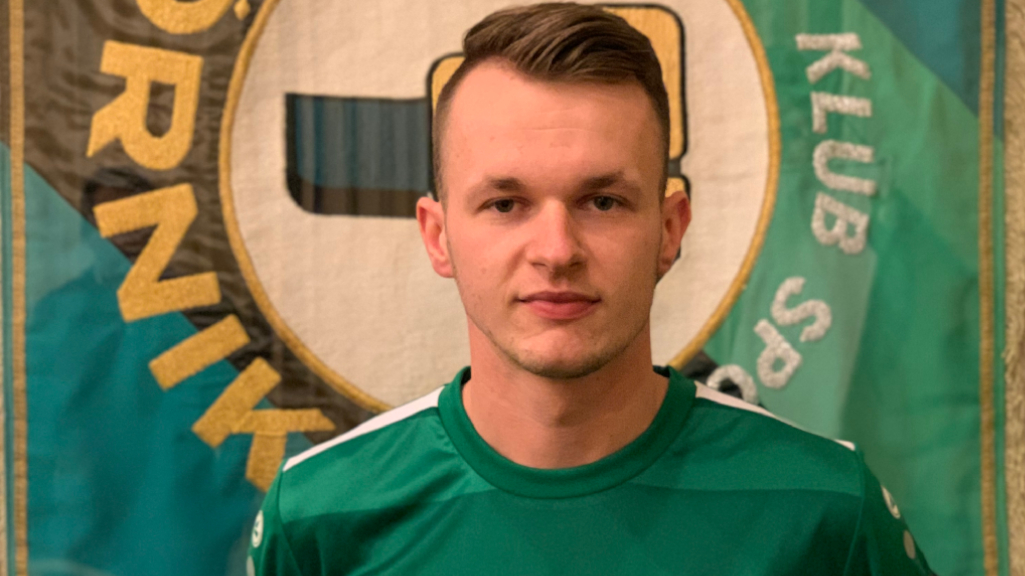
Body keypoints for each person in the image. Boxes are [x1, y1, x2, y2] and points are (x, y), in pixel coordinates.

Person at [250, 4, 935, 574]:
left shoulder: (825, 508)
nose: (557, 252)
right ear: (438, 236)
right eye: (505, 204)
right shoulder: (318, 518)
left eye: (602, 202)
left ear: (669, 229)